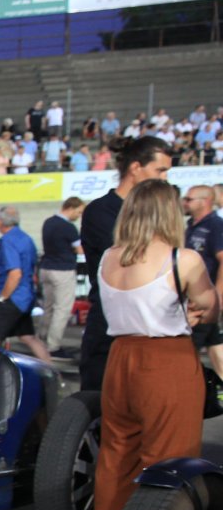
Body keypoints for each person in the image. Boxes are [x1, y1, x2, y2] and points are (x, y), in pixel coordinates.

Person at [93, 180, 218, 510]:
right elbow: (209, 305)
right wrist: (197, 310)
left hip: (120, 358)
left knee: (117, 454)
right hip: (166, 358)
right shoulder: (184, 259)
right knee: (170, 457)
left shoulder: (108, 257)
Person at [79, 136, 174, 389]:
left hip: (152, 326)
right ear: (135, 168)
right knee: (102, 404)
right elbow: (133, 261)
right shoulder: (101, 211)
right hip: (111, 327)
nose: (164, 178)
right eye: (160, 170)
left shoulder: (158, 214)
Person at [0, 206, 51, 360]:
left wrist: (3, 297)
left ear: (0, 222)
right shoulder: (26, 238)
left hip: (13, 296)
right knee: (28, 336)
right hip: (26, 295)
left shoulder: (8, 241)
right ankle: (50, 369)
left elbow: (15, 273)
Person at [182, 184, 223, 377]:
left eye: (189, 199)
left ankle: (185, 384)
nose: (185, 202)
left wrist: (218, 294)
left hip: (205, 297)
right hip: (193, 296)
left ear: (205, 201)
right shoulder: (191, 224)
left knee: (189, 346)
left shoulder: (215, 225)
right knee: (215, 342)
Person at [38, 197, 87, 357]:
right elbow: (80, 250)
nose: (78, 216)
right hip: (63, 270)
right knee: (62, 309)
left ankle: (41, 340)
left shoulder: (48, 222)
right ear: (71, 208)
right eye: (78, 212)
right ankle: (53, 346)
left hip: (46, 268)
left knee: (48, 307)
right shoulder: (68, 227)